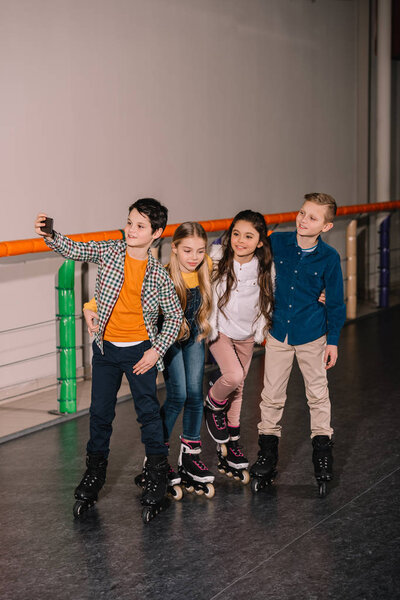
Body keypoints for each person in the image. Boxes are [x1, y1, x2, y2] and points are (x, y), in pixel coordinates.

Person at [34, 199, 183, 520]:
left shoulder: (158, 274)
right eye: (129, 223)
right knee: (100, 414)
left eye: (140, 226)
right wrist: (51, 234)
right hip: (106, 350)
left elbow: (174, 317)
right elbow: (75, 250)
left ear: (157, 233)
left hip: (140, 353)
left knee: (148, 416)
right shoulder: (110, 251)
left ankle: (157, 477)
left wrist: (156, 350)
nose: (131, 230)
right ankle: (94, 475)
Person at [84, 222, 215, 498]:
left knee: (195, 394)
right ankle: (157, 457)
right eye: (187, 250)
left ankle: (190, 455)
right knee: (177, 395)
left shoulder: (207, 269)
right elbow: (121, 294)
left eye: (200, 251)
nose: (194, 257)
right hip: (166, 342)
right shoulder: (162, 274)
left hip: (193, 338)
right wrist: (89, 306)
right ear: (174, 249)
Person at [249, 193, 346, 497]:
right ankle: (267, 456)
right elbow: (242, 251)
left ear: (326, 226)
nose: (303, 220)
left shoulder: (329, 258)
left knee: (317, 395)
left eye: (313, 218)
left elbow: (336, 303)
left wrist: (333, 341)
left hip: (312, 335)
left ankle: (322, 455)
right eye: (302, 213)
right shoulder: (277, 242)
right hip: (278, 333)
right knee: (271, 395)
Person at [204, 210, 274, 483]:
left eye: (248, 236)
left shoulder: (266, 266)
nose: (240, 240)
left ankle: (231, 442)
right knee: (232, 377)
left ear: (260, 241)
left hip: (247, 334)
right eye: (236, 234)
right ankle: (212, 402)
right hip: (220, 331)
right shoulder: (218, 260)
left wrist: (319, 293)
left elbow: (281, 290)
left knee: (240, 386)